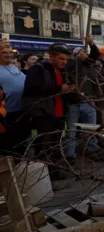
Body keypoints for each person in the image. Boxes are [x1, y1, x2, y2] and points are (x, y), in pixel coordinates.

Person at [23, 43, 75, 178]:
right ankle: (44, 176)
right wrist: (59, 89)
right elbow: (32, 90)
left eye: (66, 59)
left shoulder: (62, 71)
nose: (64, 62)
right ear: (51, 57)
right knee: (44, 146)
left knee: (56, 144)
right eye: (61, 59)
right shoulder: (38, 69)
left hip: (58, 114)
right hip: (43, 115)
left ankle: (54, 172)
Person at [0, 42, 27, 156]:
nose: (8, 55)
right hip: (6, 113)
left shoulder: (15, 67)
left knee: (21, 141)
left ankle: (19, 165)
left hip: (21, 110)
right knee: (8, 144)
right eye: (4, 52)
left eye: (10, 52)